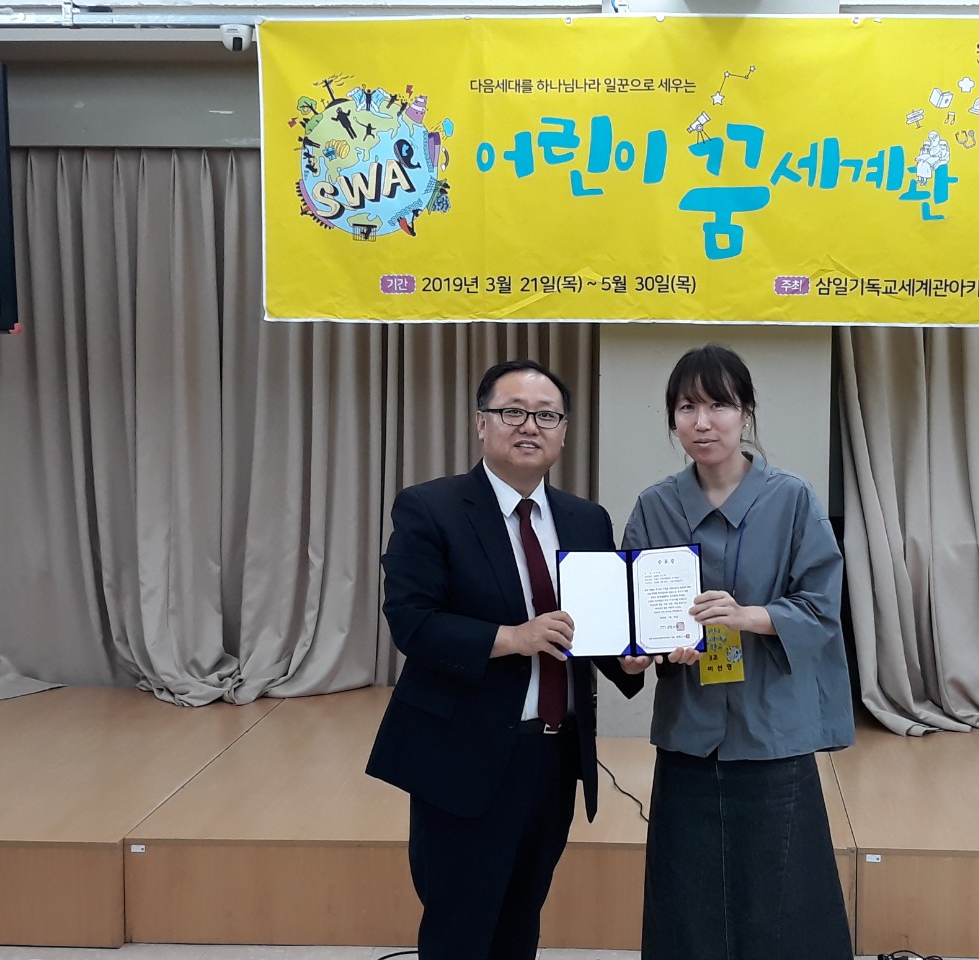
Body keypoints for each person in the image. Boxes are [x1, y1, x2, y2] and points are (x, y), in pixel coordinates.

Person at [366, 358, 644, 960]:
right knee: (461, 927)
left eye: (546, 415)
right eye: (512, 412)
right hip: (465, 753)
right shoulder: (430, 508)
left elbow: (593, 627)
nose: (529, 426)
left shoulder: (586, 519)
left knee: (521, 919)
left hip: (554, 755)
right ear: (480, 423)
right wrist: (512, 638)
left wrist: (628, 659)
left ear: (564, 431)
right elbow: (412, 621)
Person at [621, 343, 855, 960]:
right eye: (686, 407)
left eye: (718, 405)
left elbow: (821, 608)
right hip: (689, 728)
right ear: (672, 419)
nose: (702, 422)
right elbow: (633, 615)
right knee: (686, 893)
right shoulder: (654, 506)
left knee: (782, 894)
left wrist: (748, 616)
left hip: (771, 727)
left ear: (746, 412)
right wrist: (638, 652)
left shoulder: (792, 498)